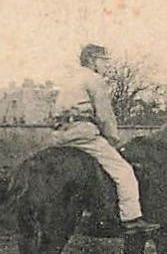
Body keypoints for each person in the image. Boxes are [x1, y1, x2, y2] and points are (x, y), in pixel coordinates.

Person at [50, 44, 157, 234]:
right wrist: (113, 139)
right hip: (83, 134)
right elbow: (105, 116)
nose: (106, 65)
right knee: (124, 172)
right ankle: (131, 218)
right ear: (91, 60)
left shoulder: (70, 78)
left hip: (60, 135)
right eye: (103, 61)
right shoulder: (94, 79)